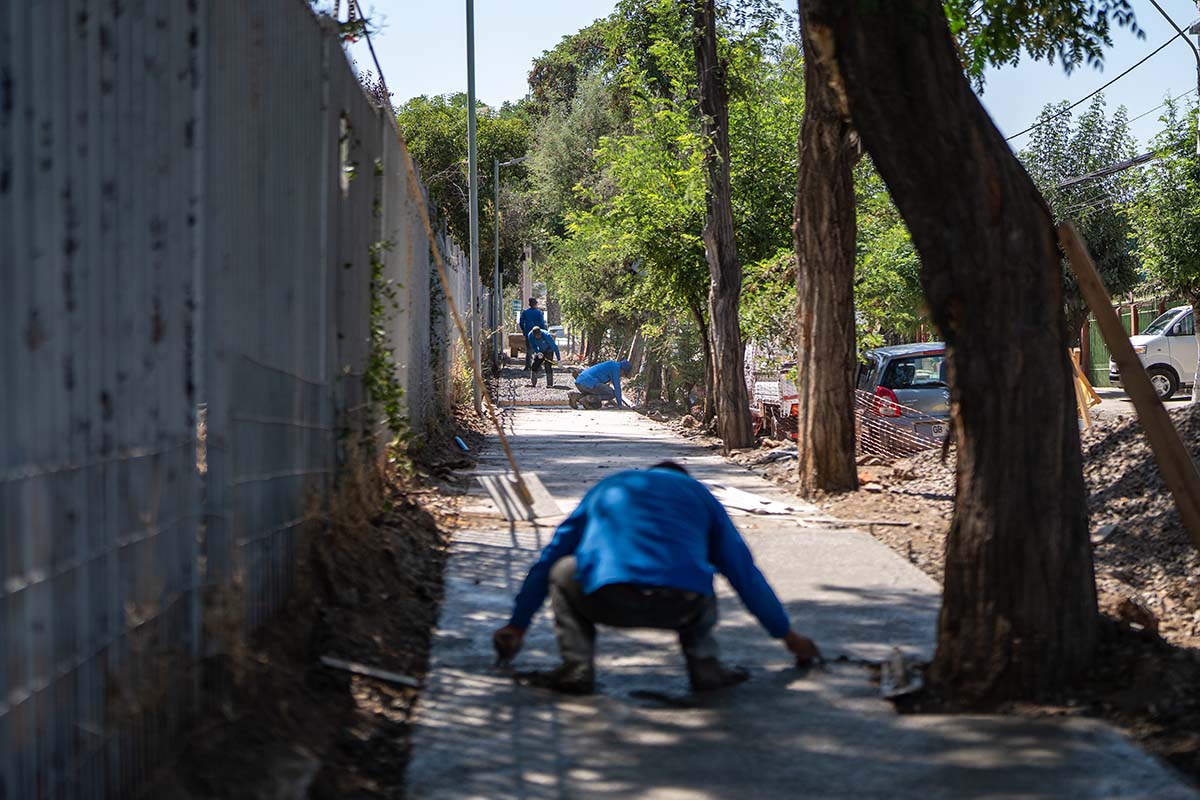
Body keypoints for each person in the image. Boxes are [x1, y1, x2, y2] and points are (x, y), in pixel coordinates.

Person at [492, 461, 820, 694]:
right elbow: (743, 573)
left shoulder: (610, 486)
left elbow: (549, 556)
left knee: (563, 569)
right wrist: (789, 637)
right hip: (681, 603)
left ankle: (577, 667)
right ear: (684, 477)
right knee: (700, 572)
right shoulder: (699, 495)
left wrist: (517, 624)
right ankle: (705, 665)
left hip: (605, 598)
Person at [519, 298, 549, 371]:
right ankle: (538, 365)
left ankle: (527, 365)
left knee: (529, 349)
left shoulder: (525, 312)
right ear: (535, 304)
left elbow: (521, 322)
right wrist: (544, 331)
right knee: (539, 349)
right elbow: (542, 323)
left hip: (528, 333)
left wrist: (524, 330)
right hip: (538, 333)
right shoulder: (539, 313)